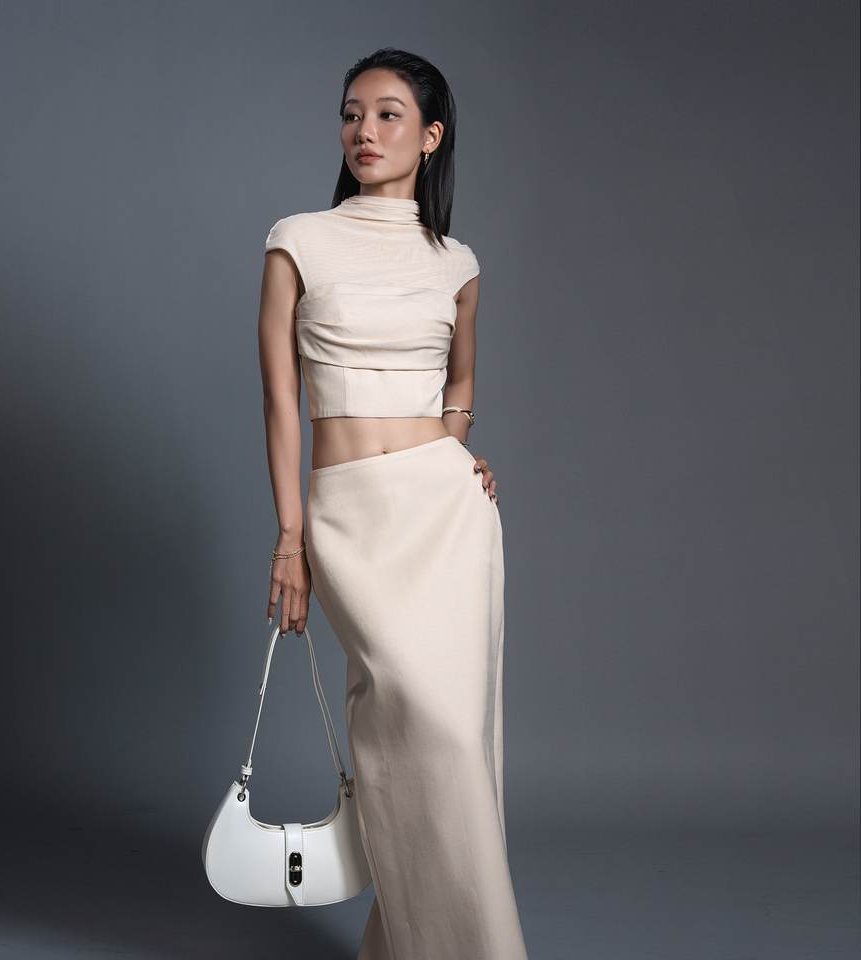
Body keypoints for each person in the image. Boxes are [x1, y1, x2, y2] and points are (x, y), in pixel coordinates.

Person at [257, 47, 529, 960]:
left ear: (431, 136)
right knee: (408, 725)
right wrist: (290, 538)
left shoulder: (457, 262)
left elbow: (461, 384)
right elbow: (280, 399)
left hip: (445, 515)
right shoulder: (298, 239)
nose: (363, 132)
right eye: (351, 114)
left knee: (449, 740)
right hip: (348, 518)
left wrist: (456, 452)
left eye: (386, 115)